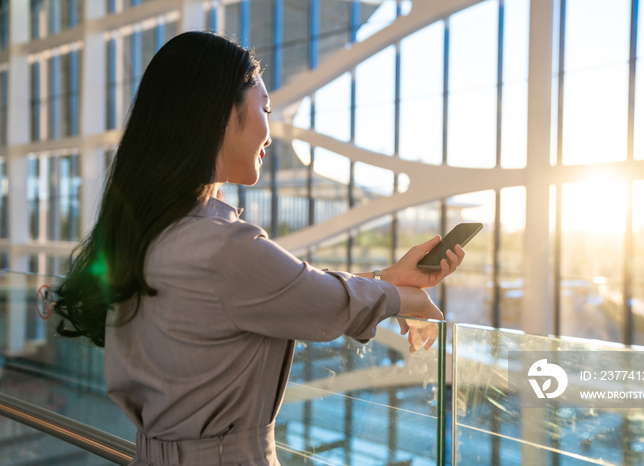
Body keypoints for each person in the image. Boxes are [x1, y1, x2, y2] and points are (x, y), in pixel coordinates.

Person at [54, 31, 465, 466]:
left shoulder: (152, 233)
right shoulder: (221, 246)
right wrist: (409, 299)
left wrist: (390, 281)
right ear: (218, 114)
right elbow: (320, 303)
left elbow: (295, 290)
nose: (269, 133)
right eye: (264, 108)